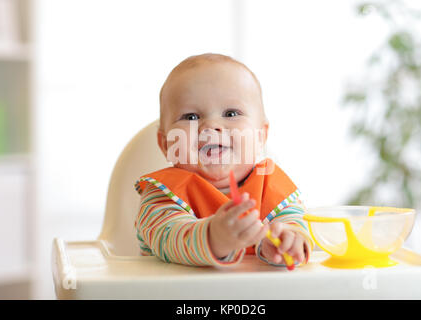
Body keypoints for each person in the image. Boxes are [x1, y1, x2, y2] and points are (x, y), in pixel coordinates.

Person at [134, 53, 314, 268]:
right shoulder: (162, 195)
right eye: (191, 117)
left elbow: (294, 222)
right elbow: (168, 237)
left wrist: (288, 240)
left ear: (260, 136)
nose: (211, 126)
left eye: (231, 113)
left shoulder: (272, 188)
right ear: (166, 144)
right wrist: (215, 238)